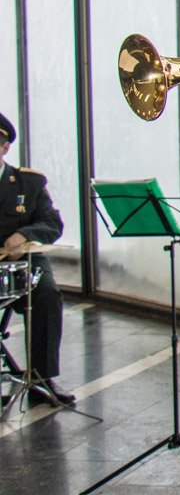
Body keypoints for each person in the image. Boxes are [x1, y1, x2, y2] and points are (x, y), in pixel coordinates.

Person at [0, 111, 75, 406]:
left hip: (21, 266)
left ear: (5, 147)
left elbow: (52, 224)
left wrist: (24, 235)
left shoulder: (27, 184)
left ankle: (42, 379)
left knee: (46, 295)